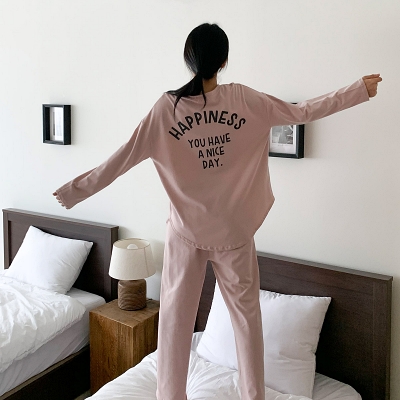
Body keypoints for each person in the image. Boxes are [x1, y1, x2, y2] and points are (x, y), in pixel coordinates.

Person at [53, 23, 382, 400]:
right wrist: (358, 90)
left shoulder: (166, 110)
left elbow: (122, 158)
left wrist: (75, 191)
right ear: (223, 61)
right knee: (247, 323)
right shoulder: (245, 100)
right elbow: (302, 112)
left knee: (174, 323)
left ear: (189, 60)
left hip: (185, 234)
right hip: (233, 234)